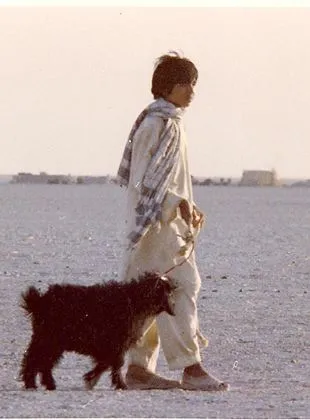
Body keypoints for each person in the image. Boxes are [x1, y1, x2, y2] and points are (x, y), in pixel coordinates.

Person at [117, 52, 229, 391]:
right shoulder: (155, 125)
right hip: (156, 229)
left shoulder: (172, 123)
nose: (192, 92)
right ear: (168, 87)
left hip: (171, 228)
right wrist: (175, 205)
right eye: (186, 84)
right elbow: (142, 183)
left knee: (151, 295)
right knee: (180, 289)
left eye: (194, 84)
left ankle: (138, 369)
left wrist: (189, 206)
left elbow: (174, 181)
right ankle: (190, 368)